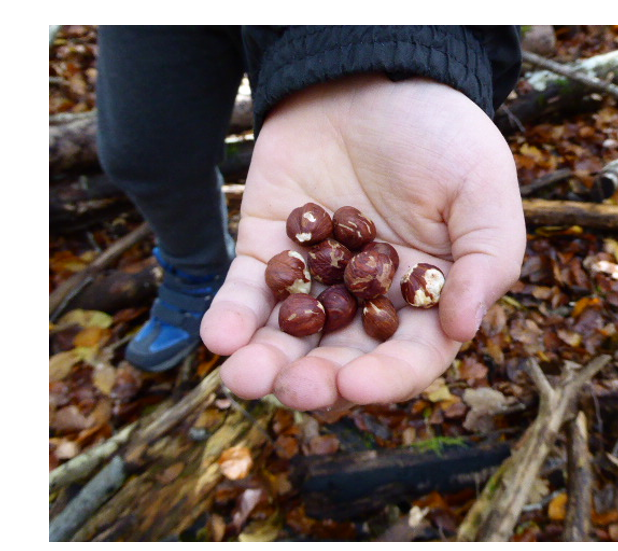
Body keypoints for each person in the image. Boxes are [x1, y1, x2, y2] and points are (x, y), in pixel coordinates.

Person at [97, 26, 527, 411]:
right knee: (141, 153)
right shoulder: (324, 251)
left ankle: (196, 271)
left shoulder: (350, 265)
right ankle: (196, 267)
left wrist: (392, 45)